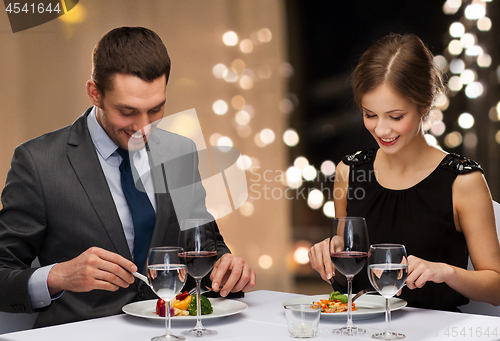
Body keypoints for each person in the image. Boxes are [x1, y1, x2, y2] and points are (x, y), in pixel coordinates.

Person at [0, 26, 255, 328]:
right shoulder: (38, 162)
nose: (143, 127)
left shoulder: (180, 150)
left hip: (175, 330)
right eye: (127, 111)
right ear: (95, 93)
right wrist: (58, 276)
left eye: (156, 109)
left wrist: (226, 268)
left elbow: (204, 244)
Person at [308, 33, 500, 311]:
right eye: (369, 115)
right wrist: (328, 255)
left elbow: (496, 288)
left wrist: (446, 272)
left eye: (396, 117)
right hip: (361, 331)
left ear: (424, 107)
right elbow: (346, 282)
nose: (382, 130)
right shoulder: (348, 172)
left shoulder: (463, 181)